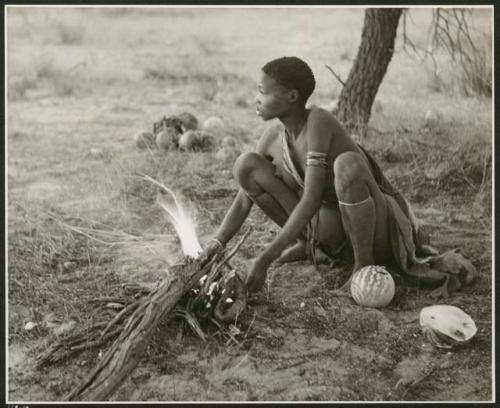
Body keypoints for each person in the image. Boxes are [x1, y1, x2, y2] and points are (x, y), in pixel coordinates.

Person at [199, 56, 424, 319]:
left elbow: (312, 197)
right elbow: (243, 199)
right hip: (332, 228)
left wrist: (265, 258)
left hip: (374, 228)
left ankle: (363, 264)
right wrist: (217, 242)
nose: (256, 99)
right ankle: (308, 244)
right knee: (246, 165)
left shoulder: (318, 121)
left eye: (262, 92)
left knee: (347, 165)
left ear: (292, 96)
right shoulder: (272, 137)